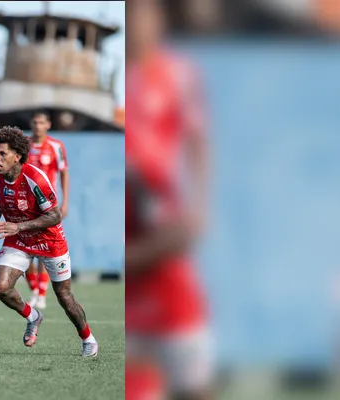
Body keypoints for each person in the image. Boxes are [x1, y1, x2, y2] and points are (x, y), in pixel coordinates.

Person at [126, 1, 212, 399]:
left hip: (161, 231)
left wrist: (199, 207)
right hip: (129, 231)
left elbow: (199, 141)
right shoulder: (117, 82)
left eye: (144, 12)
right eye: (130, 12)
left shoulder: (178, 75)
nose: (137, 22)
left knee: (189, 372)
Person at [0, 126, 98, 357]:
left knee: (64, 297)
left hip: (49, 240)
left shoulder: (36, 179)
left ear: (18, 156)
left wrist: (18, 226)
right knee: (0, 288)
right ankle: (33, 316)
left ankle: (88, 339)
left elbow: (55, 216)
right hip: (18, 239)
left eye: (2, 154)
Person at [24, 111, 70, 310]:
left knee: (44, 248)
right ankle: (34, 289)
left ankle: (41, 293)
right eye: (34, 122)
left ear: (48, 125)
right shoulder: (23, 145)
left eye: (41, 122)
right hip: (24, 204)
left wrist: (65, 202)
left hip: (46, 206)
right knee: (23, 248)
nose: (37, 126)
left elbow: (64, 173)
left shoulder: (56, 146)